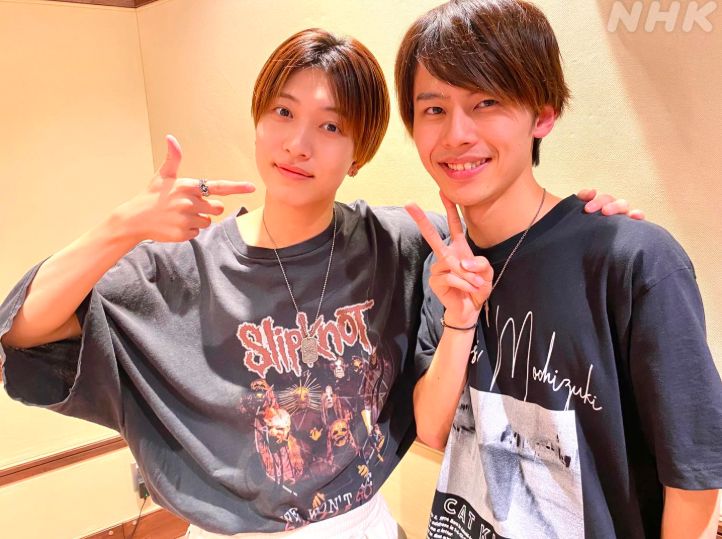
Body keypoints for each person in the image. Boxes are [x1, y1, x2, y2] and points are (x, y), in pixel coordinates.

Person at [0, 27, 632, 539]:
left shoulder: (397, 243)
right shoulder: (182, 267)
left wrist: (586, 224)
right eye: (283, 112)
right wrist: (120, 227)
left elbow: (504, 245)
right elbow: (26, 330)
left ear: (359, 150)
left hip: (362, 526)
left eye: (331, 126)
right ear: (258, 120)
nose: (298, 144)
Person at [399, 1, 722, 538]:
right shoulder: (444, 266)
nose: (456, 134)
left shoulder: (632, 259)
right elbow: (432, 432)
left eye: (486, 101)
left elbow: (695, 477)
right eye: (433, 109)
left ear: (543, 114)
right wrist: (459, 318)